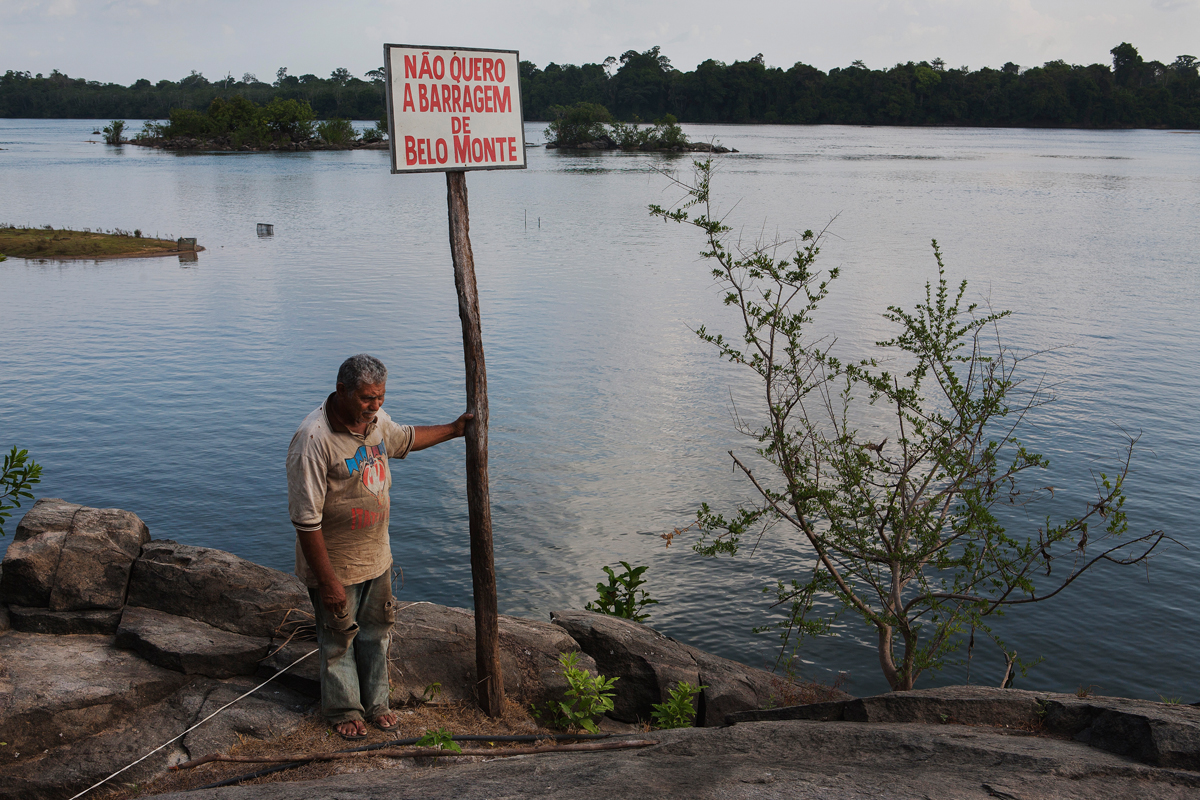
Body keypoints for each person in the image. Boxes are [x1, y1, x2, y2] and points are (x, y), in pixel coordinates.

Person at [286, 353, 471, 740]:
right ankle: (343, 709)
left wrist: (455, 429)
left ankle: (377, 705)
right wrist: (329, 582)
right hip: (336, 566)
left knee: (377, 633)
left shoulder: (374, 423)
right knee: (338, 638)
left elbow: (406, 438)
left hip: (376, 558)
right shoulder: (313, 439)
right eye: (368, 398)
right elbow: (305, 521)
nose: (376, 406)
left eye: (381, 397)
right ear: (342, 391)